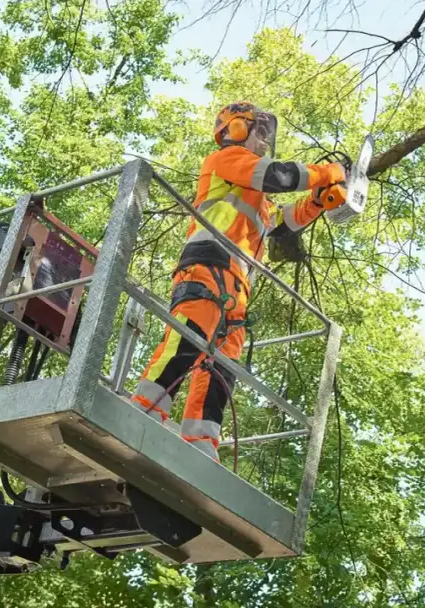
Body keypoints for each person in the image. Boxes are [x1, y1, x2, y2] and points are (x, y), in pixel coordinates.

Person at [130, 101, 348, 462]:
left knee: (222, 364)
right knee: (188, 338)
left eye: (266, 134)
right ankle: (144, 408)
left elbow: (282, 220)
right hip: (206, 264)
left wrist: (318, 202)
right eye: (258, 130)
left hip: (238, 284)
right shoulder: (226, 161)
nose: (264, 139)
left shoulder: (255, 193)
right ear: (234, 128)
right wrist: (326, 173)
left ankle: (201, 440)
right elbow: (278, 176)